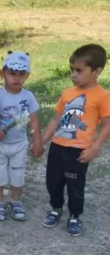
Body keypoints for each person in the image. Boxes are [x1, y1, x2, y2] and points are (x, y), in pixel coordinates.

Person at [41, 44, 110, 237]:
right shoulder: (67, 93)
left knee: (75, 186)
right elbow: (55, 119)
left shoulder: (103, 96)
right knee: (53, 182)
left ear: (97, 71)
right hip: (57, 147)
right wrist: (42, 141)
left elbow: (107, 125)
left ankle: (74, 215)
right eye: (72, 70)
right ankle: (56, 208)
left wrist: (94, 148)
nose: (73, 75)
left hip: (78, 151)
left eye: (79, 71)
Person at [0, 51, 43, 221]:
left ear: (27, 75)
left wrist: (37, 142)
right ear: (2, 73)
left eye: (21, 74)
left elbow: (34, 121)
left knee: (18, 175)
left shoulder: (28, 96)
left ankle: (16, 201)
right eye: (12, 73)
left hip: (19, 144)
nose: (16, 78)